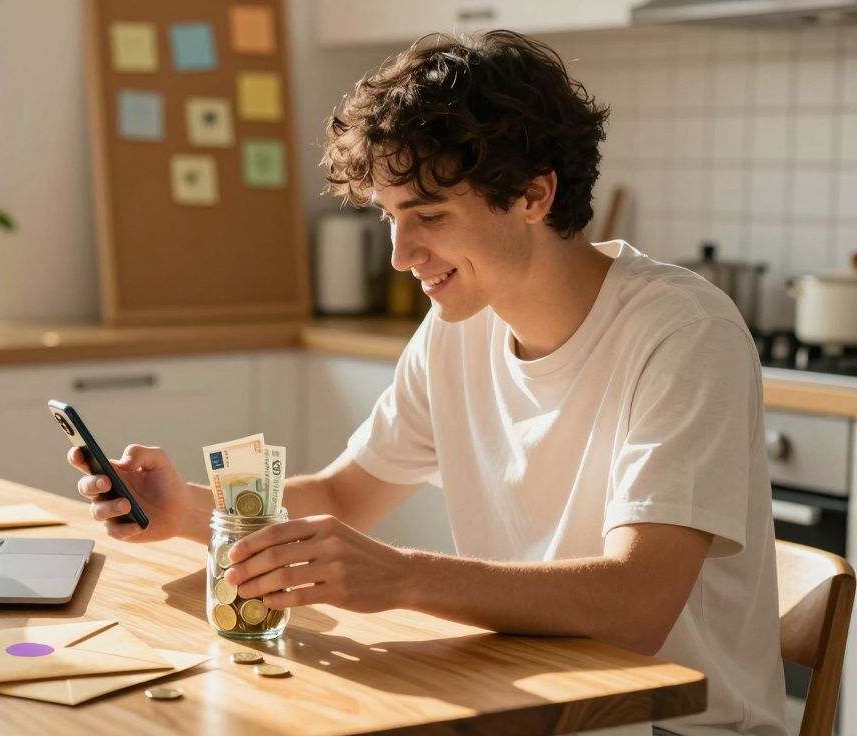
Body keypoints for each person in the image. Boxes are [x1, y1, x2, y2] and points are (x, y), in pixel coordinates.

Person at [68, 30, 784, 736]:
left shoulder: (682, 331)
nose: (401, 254)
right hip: (524, 706)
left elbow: (636, 605)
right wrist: (188, 512)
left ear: (534, 195)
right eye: (389, 217)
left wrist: (404, 577)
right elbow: (347, 496)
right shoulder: (457, 327)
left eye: (429, 217)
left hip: (674, 724)